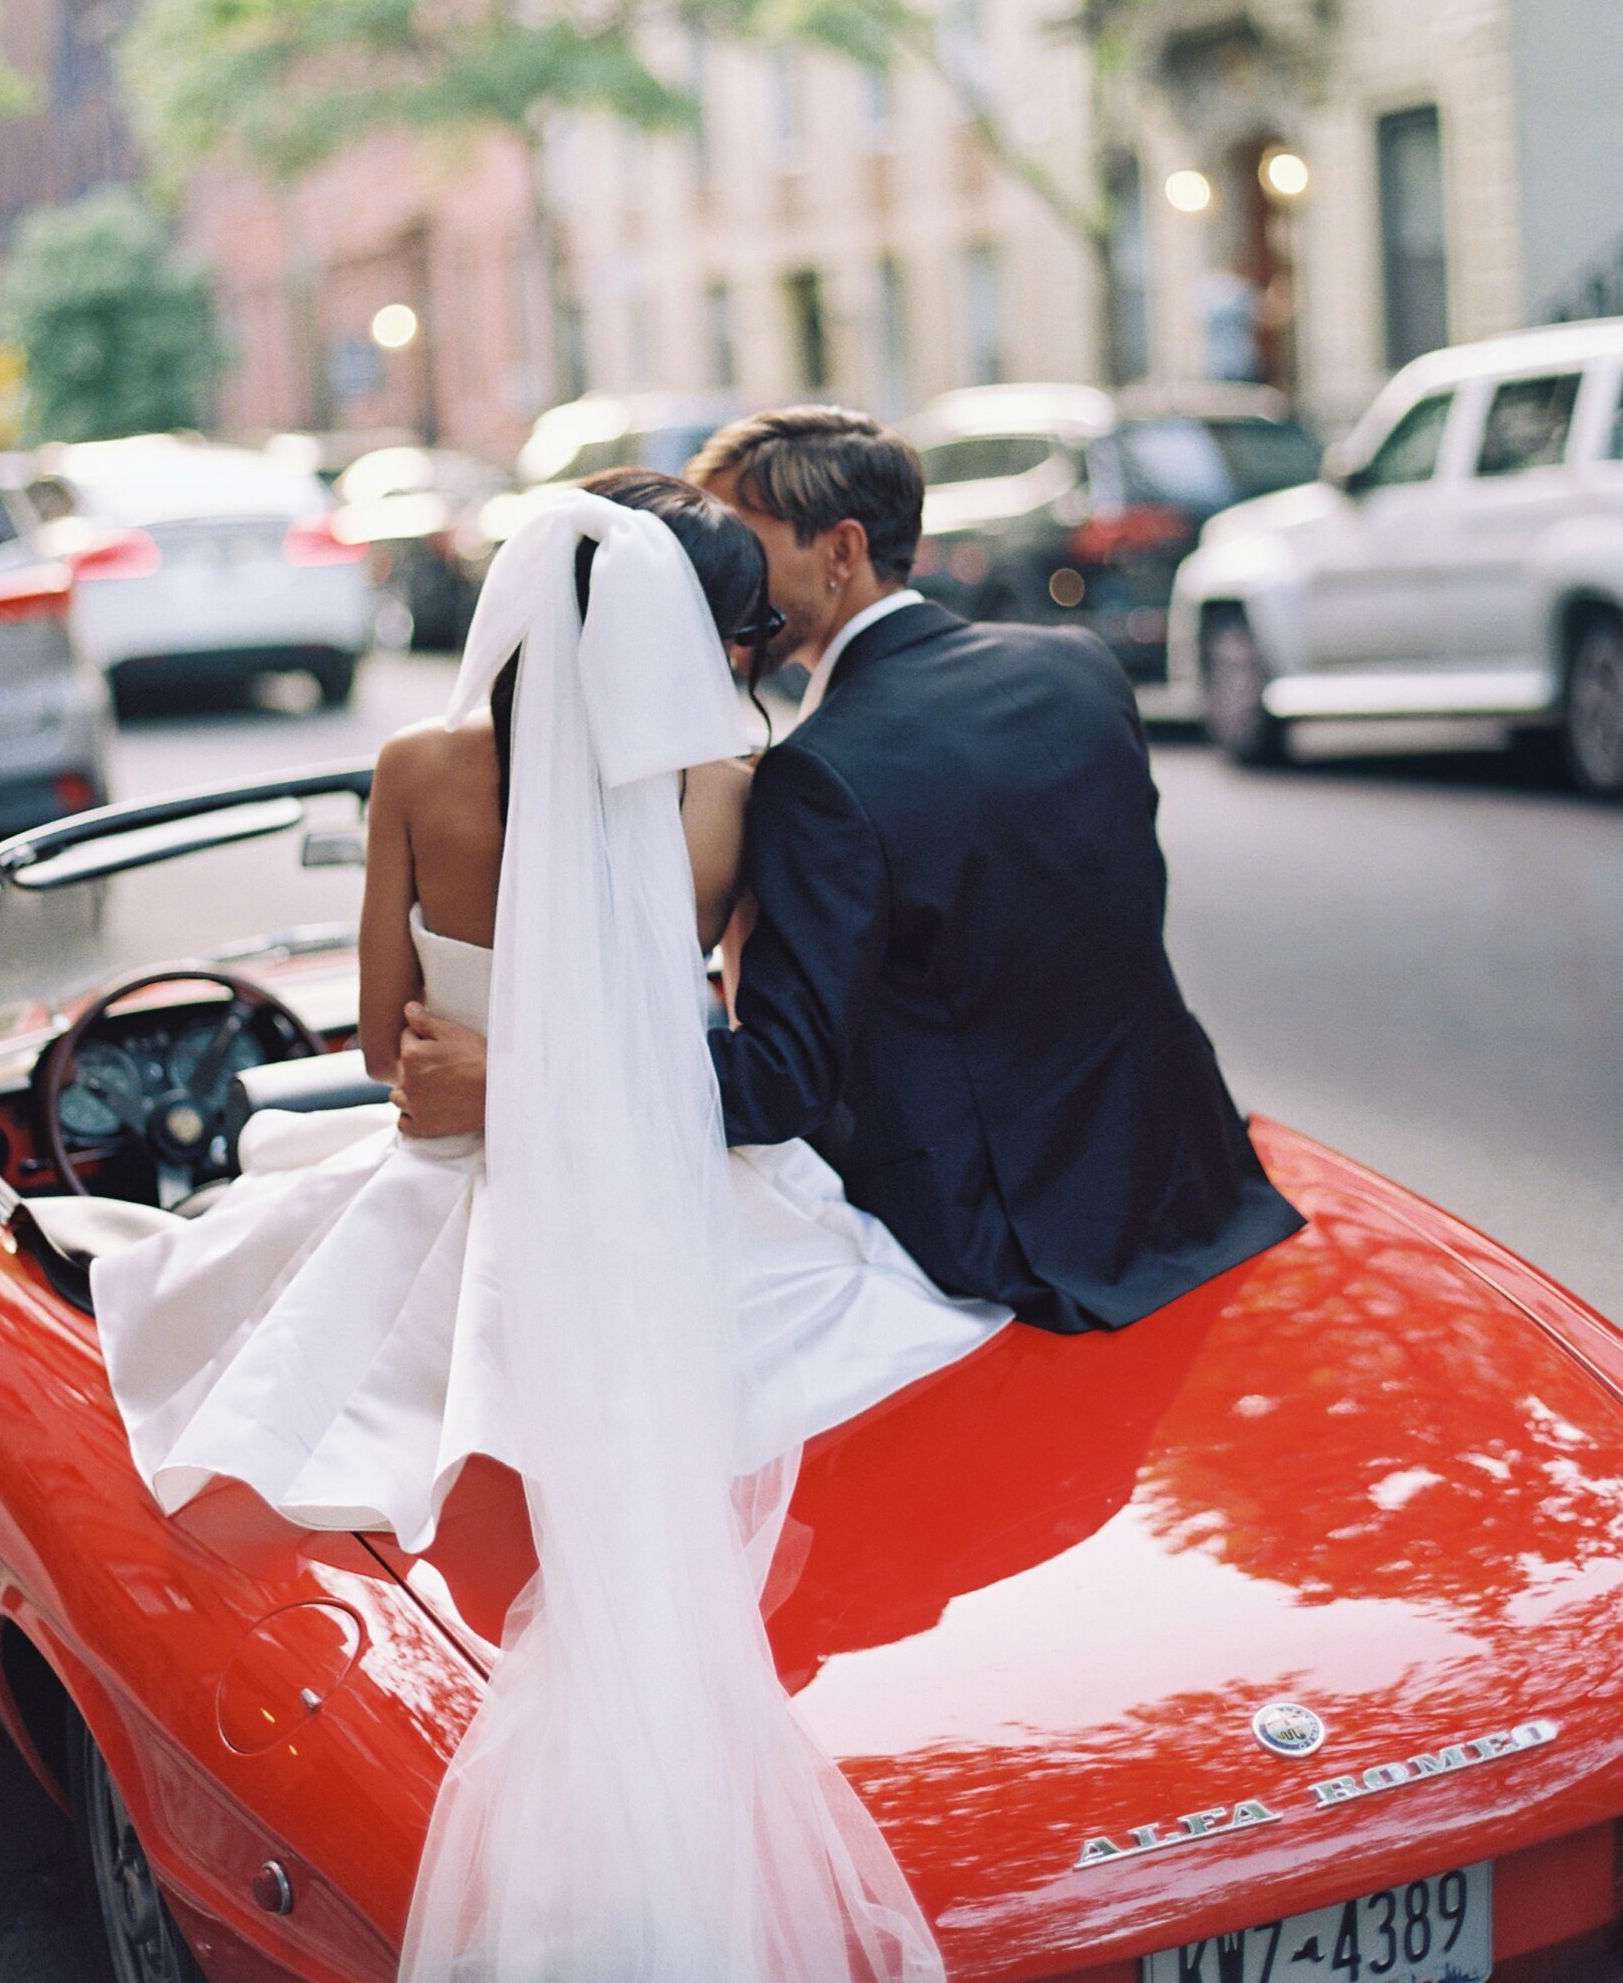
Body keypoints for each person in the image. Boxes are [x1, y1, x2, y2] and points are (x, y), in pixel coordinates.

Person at [77, 469, 1005, 1983]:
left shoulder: (418, 766)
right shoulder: (723, 781)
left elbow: (387, 1045)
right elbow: (714, 1041)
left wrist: (494, 1075)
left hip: (456, 1192)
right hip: (663, 1196)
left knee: (216, 1318)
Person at [400, 408, 1303, 1335]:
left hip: (991, 1238)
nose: (703, 584)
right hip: (1183, 1183)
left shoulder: (818, 773)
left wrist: (515, 1082)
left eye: (735, 550)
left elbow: (781, 1084)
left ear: (840, 551)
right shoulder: (1075, 668)